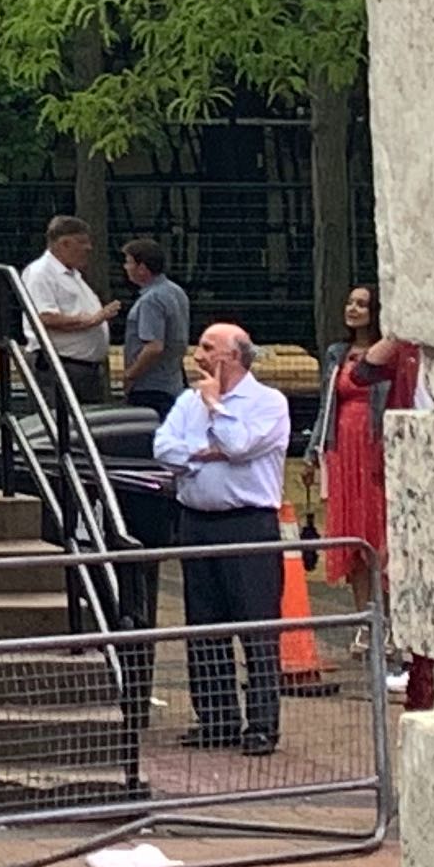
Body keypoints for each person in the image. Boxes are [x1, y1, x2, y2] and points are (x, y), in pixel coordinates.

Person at [156, 320, 293, 752]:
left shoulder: (269, 403)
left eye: (207, 347)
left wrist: (216, 408)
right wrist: (203, 455)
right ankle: (216, 719)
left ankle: (261, 726)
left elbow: (237, 445)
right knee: (204, 627)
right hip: (196, 520)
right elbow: (164, 448)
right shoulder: (185, 401)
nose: (197, 355)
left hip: (248, 523)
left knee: (256, 628)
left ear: (232, 356)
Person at [312, 282, 432, 710]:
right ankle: (366, 618)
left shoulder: (396, 356)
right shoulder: (334, 353)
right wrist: (315, 449)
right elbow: (329, 402)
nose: (353, 309)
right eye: (350, 302)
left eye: (363, 304)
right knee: (351, 537)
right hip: (344, 446)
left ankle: (393, 623)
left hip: (376, 444)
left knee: (379, 535)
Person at [16, 213, 109, 377]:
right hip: (60, 365)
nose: (88, 247)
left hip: (80, 366)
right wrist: (89, 320)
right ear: (64, 243)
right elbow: (45, 317)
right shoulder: (41, 273)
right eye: (81, 242)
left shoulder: (72, 274)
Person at [116, 238, 190, 407]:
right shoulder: (176, 291)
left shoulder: (150, 300)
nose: (125, 268)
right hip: (174, 381)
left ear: (142, 268)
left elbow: (154, 347)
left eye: (129, 263)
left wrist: (130, 375)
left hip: (150, 387)